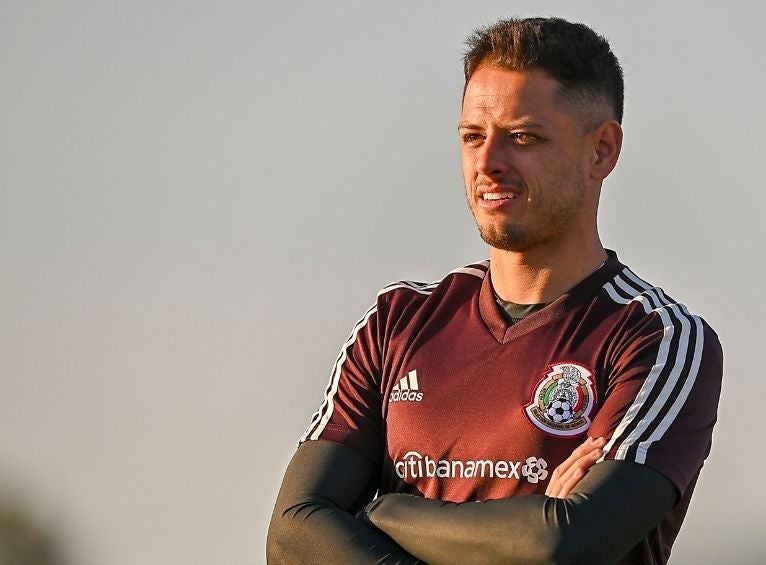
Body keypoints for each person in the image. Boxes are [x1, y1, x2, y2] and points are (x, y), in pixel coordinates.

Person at [267, 16, 723, 565]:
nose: (488, 163)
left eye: (523, 137)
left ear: (602, 150)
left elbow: (562, 541)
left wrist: (379, 511)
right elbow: (293, 535)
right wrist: (519, 526)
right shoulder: (397, 321)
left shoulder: (657, 338)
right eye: (472, 137)